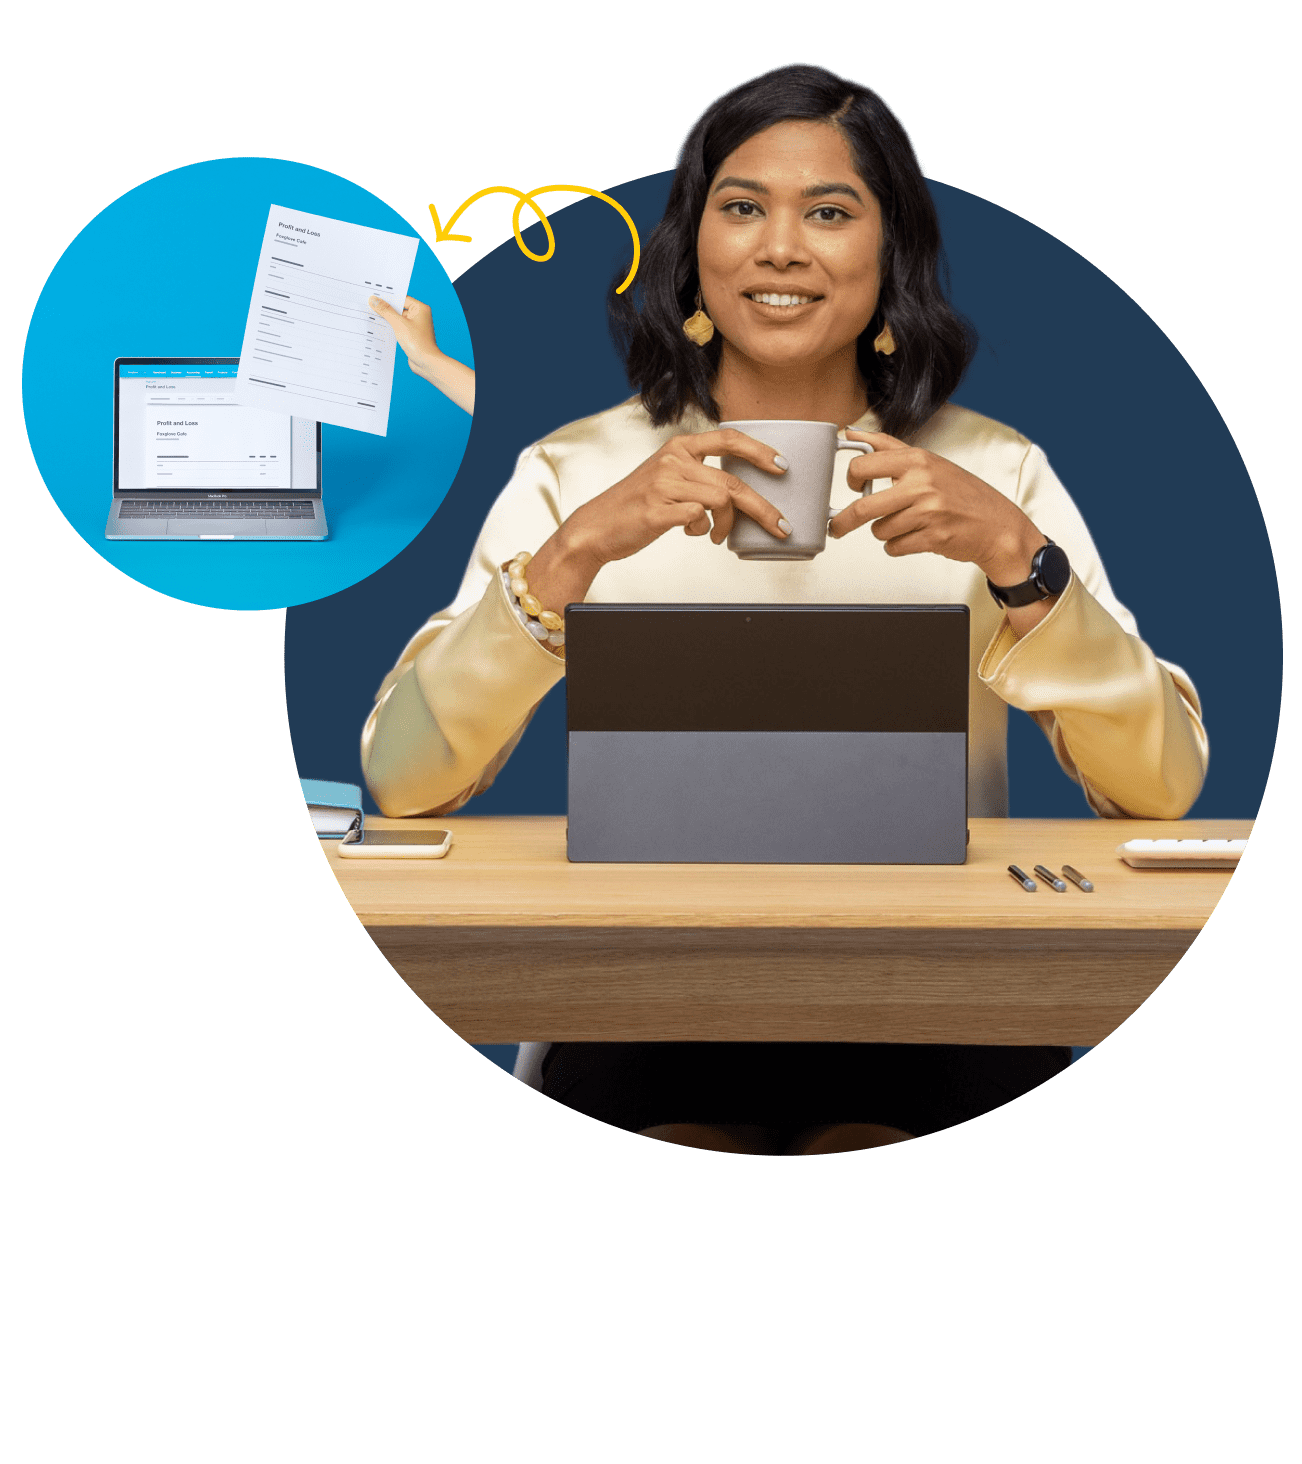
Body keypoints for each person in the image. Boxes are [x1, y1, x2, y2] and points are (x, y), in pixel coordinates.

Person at [362, 64, 1208, 1155]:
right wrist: (572, 556)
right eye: (743, 207)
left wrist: (1015, 556)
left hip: (941, 981)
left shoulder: (996, 472)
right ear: (692, 247)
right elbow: (401, 778)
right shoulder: (577, 473)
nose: (780, 248)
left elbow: (1164, 786)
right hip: (646, 980)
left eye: (830, 212)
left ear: (890, 251)